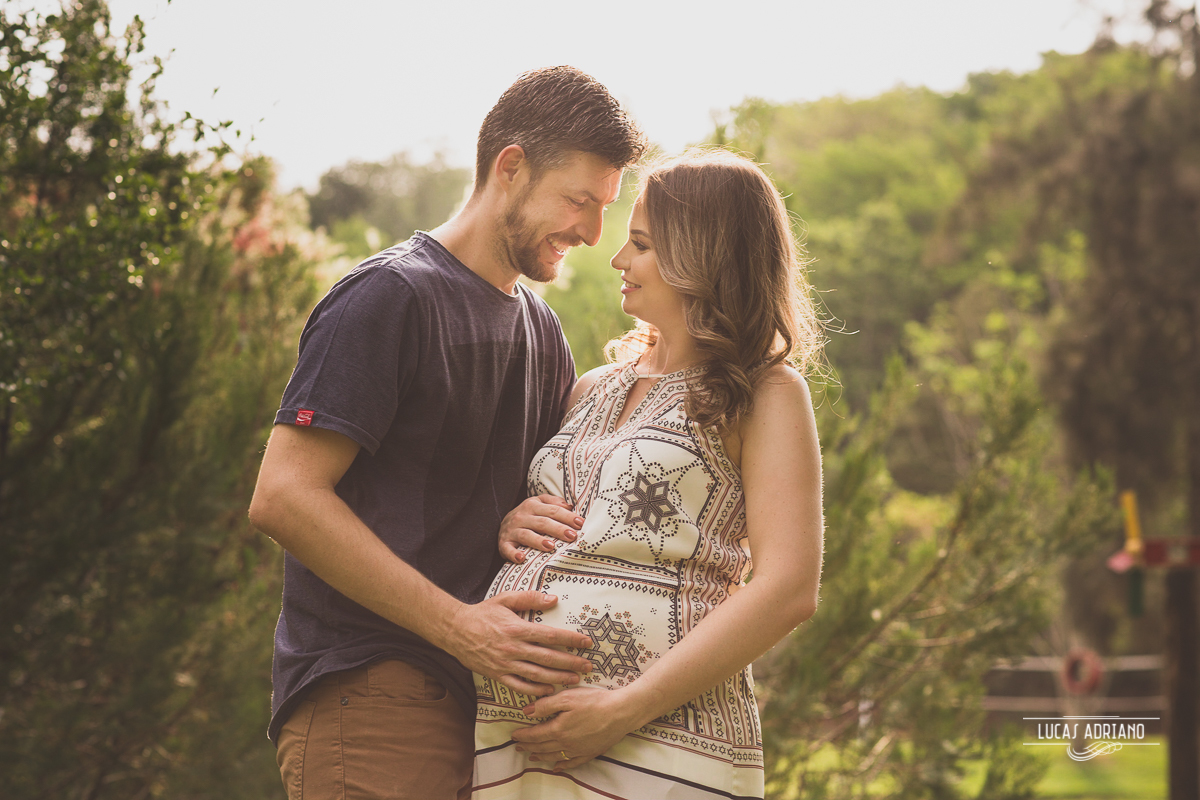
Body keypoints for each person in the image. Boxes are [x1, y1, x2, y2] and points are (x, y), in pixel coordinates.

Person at [248, 66, 646, 800]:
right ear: (510, 167)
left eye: (604, 210)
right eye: (578, 201)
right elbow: (284, 497)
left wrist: (517, 516)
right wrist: (463, 628)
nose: (593, 234)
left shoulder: (543, 332)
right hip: (376, 695)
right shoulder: (388, 296)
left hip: (490, 718)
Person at [471, 148, 826, 799]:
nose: (617, 260)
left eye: (640, 245)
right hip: (519, 745)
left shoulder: (766, 393)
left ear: (703, 257)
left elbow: (789, 588)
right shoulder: (592, 387)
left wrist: (622, 708)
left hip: (660, 747)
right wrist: (513, 523)